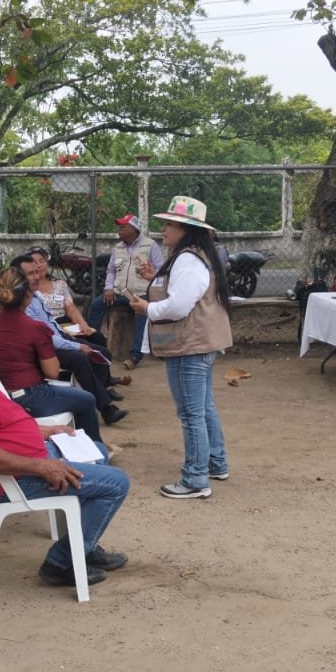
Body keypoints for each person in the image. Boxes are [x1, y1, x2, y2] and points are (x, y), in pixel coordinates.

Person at [0, 305, 129, 589]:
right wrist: (43, 466)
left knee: (97, 451)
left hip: (26, 461)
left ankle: (83, 543)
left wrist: (46, 431)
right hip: (18, 478)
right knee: (117, 483)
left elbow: (0, 425)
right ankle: (61, 562)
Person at [128, 195, 232, 499]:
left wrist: (146, 308)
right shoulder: (196, 256)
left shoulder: (187, 259)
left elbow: (178, 306)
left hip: (190, 346)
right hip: (200, 343)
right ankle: (215, 462)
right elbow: (184, 290)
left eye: (169, 225)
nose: (163, 230)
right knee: (203, 407)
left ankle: (196, 478)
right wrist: (155, 277)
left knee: (190, 413)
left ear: (186, 229)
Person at [0, 268, 104, 442]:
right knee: (87, 399)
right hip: (28, 396)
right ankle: (92, 449)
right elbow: (52, 372)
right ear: (28, 296)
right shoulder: (35, 328)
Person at [17, 256, 127, 425]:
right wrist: (76, 346)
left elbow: (64, 315)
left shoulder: (37, 294)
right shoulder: (24, 303)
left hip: (60, 334)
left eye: (37, 271)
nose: (36, 276)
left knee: (101, 352)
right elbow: (44, 337)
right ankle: (105, 408)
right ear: (18, 277)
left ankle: (99, 393)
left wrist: (76, 332)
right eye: (31, 273)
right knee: (80, 358)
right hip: (45, 347)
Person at [87, 214, 164, 371]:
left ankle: (135, 356)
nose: (119, 230)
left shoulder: (150, 245)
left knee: (141, 317)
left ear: (133, 229)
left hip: (141, 293)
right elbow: (111, 271)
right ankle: (93, 345)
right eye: (119, 227)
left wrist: (152, 288)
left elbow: (160, 270)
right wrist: (108, 288)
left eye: (123, 227)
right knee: (95, 306)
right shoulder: (118, 248)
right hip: (119, 292)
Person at [27, 246, 99, 339]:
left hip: (65, 325)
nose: (39, 265)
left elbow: (71, 309)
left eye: (42, 261)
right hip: (44, 329)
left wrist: (82, 324)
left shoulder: (60, 284)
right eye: (34, 262)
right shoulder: (26, 289)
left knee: (97, 337)